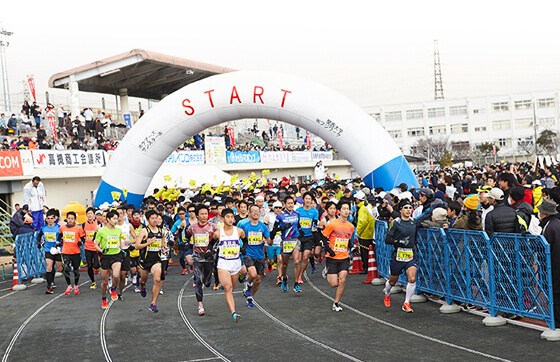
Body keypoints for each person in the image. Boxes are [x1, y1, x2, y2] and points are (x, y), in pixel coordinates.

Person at [210, 208, 246, 322]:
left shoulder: (239, 231)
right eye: (228, 217)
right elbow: (210, 245)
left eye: (232, 217)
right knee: (228, 288)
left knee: (232, 288)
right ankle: (234, 313)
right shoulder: (218, 233)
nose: (230, 219)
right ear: (223, 218)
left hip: (235, 262)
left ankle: (223, 284)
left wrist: (243, 248)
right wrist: (209, 251)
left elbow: (246, 241)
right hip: (223, 262)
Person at [384, 199, 417, 313]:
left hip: (411, 255)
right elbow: (387, 240)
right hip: (398, 256)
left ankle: (406, 303)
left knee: (412, 279)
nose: (408, 210)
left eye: (410, 207)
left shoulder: (414, 221)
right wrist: (398, 242)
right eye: (406, 208)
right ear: (400, 210)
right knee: (393, 281)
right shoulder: (396, 222)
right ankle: (387, 293)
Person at [185, 205, 218, 316]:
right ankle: (200, 305)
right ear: (198, 215)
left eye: (205, 214)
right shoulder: (192, 227)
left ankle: (207, 280)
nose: (204, 216)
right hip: (197, 256)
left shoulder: (213, 227)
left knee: (207, 282)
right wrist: (187, 243)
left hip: (209, 257)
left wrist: (213, 249)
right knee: (198, 280)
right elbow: (187, 234)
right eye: (202, 214)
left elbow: (219, 238)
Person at [320, 200, 354, 312]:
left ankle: (336, 303)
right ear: (339, 211)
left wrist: (352, 248)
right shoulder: (332, 225)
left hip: (344, 256)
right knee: (333, 284)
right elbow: (324, 237)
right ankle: (327, 271)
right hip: (332, 257)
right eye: (343, 209)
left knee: (343, 280)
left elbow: (347, 239)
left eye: (347, 209)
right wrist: (329, 249)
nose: (346, 211)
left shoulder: (350, 226)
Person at [239, 204, 271, 307]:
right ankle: (248, 286)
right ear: (249, 213)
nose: (256, 212)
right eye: (253, 211)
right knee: (252, 274)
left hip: (260, 255)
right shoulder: (244, 226)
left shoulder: (263, 226)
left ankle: (250, 296)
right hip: (248, 253)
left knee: (258, 279)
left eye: (258, 210)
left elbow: (269, 242)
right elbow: (237, 235)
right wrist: (241, 248)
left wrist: (272, 235)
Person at [135, 210, 166, 312]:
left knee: (157, 279)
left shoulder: (161, 231)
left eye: (156, 218)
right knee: (143, 280)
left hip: (156, 260)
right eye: (152, 218)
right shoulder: (144, 231)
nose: (155, 220)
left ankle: (153, 304)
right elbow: (137, 246)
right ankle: (142, 286)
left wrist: (163, 248)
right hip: (145, 260)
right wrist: (148, 243)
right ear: (147, 220)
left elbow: (162, 243)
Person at [272, 196, 302, 293]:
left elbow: (298, 226)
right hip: (285, 241)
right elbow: (274, 230)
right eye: (288, 203)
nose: (290, 205)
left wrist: (301, 232)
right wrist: (284, 227)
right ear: (284, 204)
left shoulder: (297, 214)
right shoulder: (280, 215)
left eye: (292, 203)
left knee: (297, 262)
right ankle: (284, 278)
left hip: (295, 240)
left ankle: (296, 283)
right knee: (285, 265)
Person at [538, 199, 560, 327]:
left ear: (544, 213)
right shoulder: (557, 223)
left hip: (553, 264)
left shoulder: (548, 227)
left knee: (554, 295)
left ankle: (556, 323)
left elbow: (543, 248)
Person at [94, 210, 123, 309]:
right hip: (105, 257)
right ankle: (103, 298)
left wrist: (122, 248)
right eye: (114, 219)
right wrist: (102, 250)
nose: (116, 221)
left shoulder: (118, 230)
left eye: (117, 219)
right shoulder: (101, 231)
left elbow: (119, 243)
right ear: (108, 219)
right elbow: (96, 245)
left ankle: (113, 289)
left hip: (116, 255)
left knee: (115, 276)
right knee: (104, 282)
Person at [58, 211, 86, 296]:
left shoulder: (78, 228)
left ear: (75, 220)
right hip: (65, 252)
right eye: (69, 218)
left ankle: (76, 285)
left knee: (76, 270)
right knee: (66, 268)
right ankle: (69, 285)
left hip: (75, 252)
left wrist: (80, 243)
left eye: (72, 219)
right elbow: (59, 237)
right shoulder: (62, 228)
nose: (70, 220)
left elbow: (83, 239)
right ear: (66, 219)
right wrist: (59, 242)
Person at [295, 192, 319, 283]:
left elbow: (315, 222)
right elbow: (296, 222)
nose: (308, 200)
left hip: (309, 237)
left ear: (311, 200)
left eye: (309, 199)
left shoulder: (314, 211)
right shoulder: (298, 210)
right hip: (299, 237)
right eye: (306, 198)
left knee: (305, 257)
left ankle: (300, 276)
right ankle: (297, 274)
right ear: (303, 200)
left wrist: (315, 228)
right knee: (298, 260)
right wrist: (299, 228)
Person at [36, 210, 61, 294]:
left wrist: (59, 243)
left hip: (57, 250)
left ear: (55, 219)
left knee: (59, 268)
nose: (50, 220)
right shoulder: (43, 228)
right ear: (46, 219)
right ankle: (49, 286)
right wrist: (39, 243)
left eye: (51, 218)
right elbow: (39, 236)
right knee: (49, 267)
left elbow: (62, 237)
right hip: (48, 250)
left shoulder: (58, 227)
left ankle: (66, 268)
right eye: (48, 218)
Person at [355, 190, 375, 275]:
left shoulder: (362, 208)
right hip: (371, 233)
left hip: (364, 234)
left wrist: (358, 232)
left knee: (365, 253)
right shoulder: (369, 205)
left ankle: (366, 268)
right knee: (371, 252)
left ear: (358, 200)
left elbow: (362, 221)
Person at [83, 207, 101, 289]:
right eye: (88, 214)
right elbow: (82, 235)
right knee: (89, 266)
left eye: (91, 213)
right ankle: (93, 282)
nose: (89, 215)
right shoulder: (84, 225)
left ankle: (98, 267)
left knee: (96, 265)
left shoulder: (99, 224)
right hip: (87, 248)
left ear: (94, 215)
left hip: (97, 248)